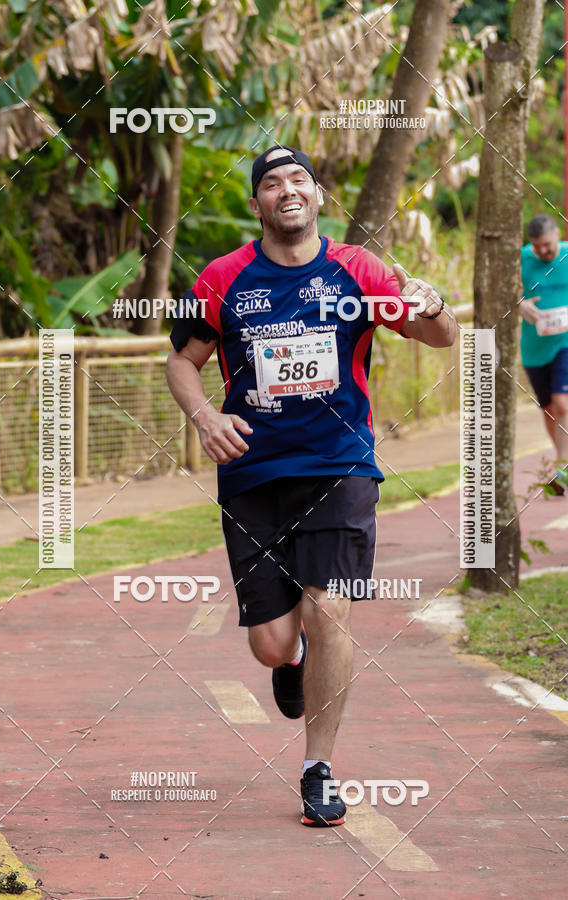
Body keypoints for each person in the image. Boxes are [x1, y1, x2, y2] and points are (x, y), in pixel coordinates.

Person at [165, 145, 456, 827]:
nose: (287, 190)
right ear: (257, 204)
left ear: (318, 195)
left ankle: (317, 767)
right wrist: (205, 415)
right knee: (271, 642)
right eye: (272, 183)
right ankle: (288, 658)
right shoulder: (223, 277)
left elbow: (439, 335)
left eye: (299, 179)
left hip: (342, 465)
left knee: (331, 610)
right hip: (253, 473)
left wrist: (433, 301)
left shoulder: (358, 270)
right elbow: (183, 359)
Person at [519, 215, 568, 495]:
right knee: (550, 410)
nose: (543, 252)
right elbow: (505, 292)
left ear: (557, 236)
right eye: (537, 247)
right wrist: (520, 303)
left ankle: (560, 470)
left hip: (566, 343)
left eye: (548, 246)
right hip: (535, 348)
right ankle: (564, 463)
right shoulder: (522, 258)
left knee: (563, 404)